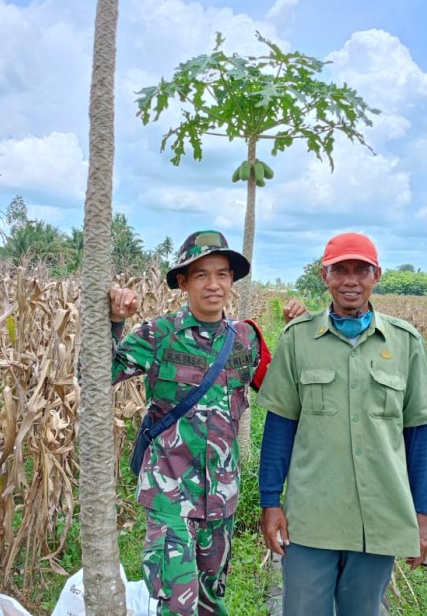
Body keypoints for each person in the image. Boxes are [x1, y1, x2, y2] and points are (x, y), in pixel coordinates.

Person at [256, 232, 427, 615]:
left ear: (377, 275)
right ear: (324, 276)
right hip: (311, 517)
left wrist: (422, 517)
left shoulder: (405, 343)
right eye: (340, 270)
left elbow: (417, 437)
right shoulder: (298, 339)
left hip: (379, 516)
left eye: (361, 270)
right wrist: (270, 503)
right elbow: (280, 428)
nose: (350, 281)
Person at [109, 230, 276, 616]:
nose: (213, 284)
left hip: (222, 496)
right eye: (201, 275)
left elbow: (281, 391)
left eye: (222, 274)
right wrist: (114, 322)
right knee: (178, 602)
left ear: (231, 280)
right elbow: (94, 374)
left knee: (209, 600)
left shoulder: (246, 340)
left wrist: (298, 328)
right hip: (170, 493)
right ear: (183, 282)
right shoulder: (158, 335)